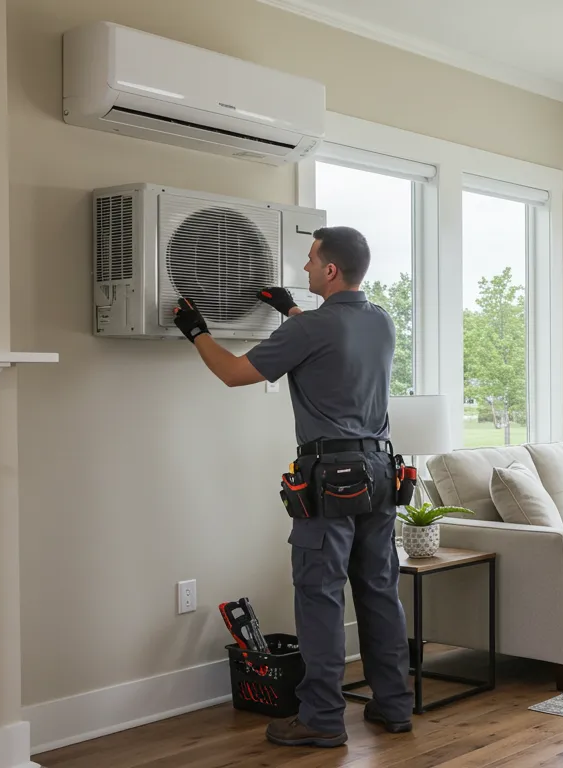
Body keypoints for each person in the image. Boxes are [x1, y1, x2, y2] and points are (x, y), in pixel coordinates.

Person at [174, 226, 413, 748]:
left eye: (310, 262)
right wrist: (291, 311)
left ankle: (322, 719)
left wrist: (197, 331)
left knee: (321, 596)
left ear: (330, 270)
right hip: (379, 472)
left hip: (330, 479)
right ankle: (394, 706)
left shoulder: (313, 329)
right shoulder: (380, 321)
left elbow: (235, 374)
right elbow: (330, 339)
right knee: (378, 590)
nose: (304, 270)